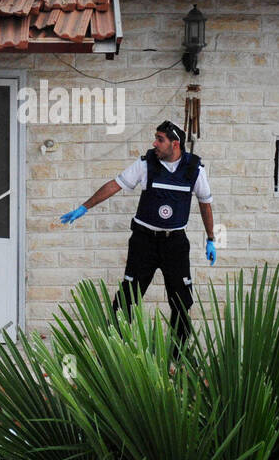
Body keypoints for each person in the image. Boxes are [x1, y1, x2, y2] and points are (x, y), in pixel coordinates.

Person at [59, 120, 216, 348]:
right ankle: (114, 351)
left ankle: (178, 356)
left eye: (160, 139)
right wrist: (84, 207)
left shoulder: (194, 170)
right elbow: (115, 185)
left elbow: (205, 204)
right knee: (127, 299)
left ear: (175, 144)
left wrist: (211, 239)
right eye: (155, 138)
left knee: (182, 301)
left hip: (175, 244)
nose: (155, 143)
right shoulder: (146, 165)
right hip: (144, 241)